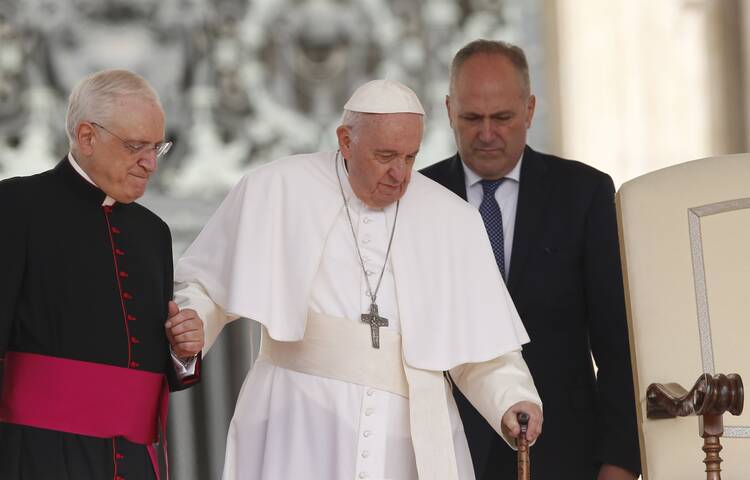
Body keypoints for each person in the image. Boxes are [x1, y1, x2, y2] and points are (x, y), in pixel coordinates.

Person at [174, 78, 543, 480]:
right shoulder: (276, 188)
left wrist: (512, 398)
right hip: (297, 424)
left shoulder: (451, 218)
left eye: (410, 157)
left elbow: (482, 347)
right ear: (346, 141)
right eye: (385, 156)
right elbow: (206, 284)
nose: (399, 174)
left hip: (406, 439)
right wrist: (195, 319)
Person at [421, 39, 641, 479]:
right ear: (448, 110)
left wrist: (619, 463)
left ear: (529, 109)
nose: (486, 134)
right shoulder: (418, 199)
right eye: (471, 118)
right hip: (447, 453)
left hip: (562, 454)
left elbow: (619, 345)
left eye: (502, 117)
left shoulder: (584, 193)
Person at [0, 69, 205, 479]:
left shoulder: (153, 232)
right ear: (88, 136)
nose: (150, 163)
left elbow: (150, 362)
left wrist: (183, 352)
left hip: (133, 460)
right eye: (135, 147)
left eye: (157, 148)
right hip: (39, 455)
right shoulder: (16, 206)